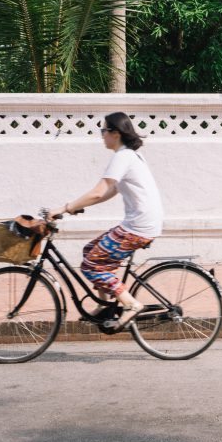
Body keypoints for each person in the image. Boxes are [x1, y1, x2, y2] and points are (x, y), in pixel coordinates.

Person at [50, 112, 164, 329]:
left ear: (116, 133)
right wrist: (76, 206)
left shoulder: (123, 156)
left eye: (104, 130)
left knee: (91, 266)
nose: (102, 135)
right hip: (142, 223)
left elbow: (98, 191)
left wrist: (64, 208)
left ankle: (130, 304)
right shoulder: (129, 155)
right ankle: (105, 304)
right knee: (90, 250)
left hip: (138, 226)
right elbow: (108, 192)